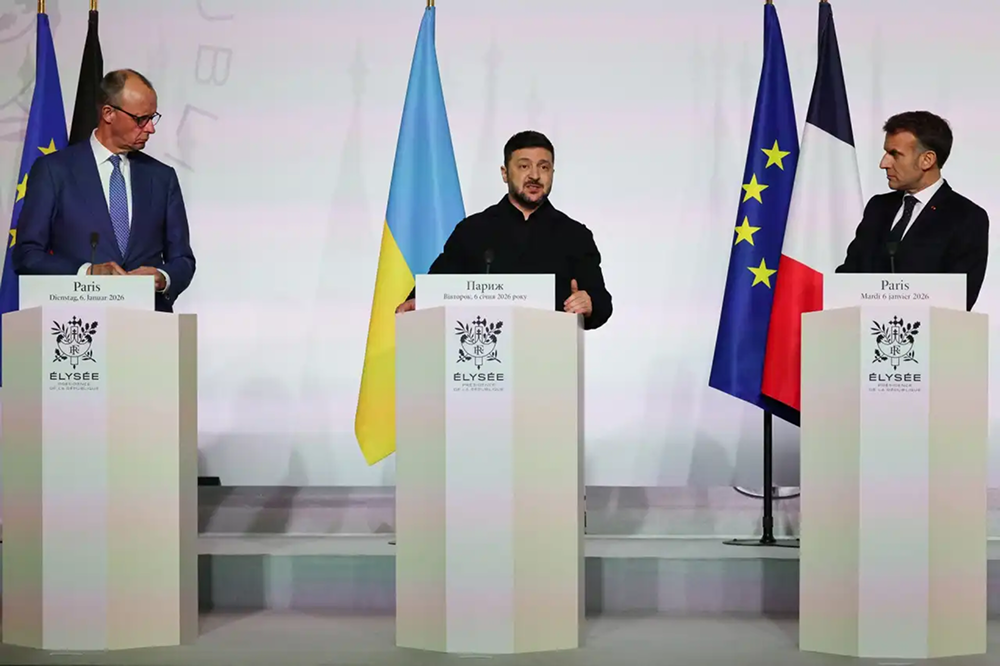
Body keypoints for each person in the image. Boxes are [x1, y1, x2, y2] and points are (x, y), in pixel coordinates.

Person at [14, 69, 196, 313]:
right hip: (77, 323)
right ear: (108, 113)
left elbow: (183, 259)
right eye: (141, 119)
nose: (151, 128)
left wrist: (163, 277)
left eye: (153, 118)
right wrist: (88, 273)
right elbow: (27, 255)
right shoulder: (54, 171)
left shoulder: (162, 177)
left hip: (148, 323)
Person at [396, 130, 612, 329]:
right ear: (505, 173)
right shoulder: (472, 230)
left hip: (550, 353)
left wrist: (589, 303)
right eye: (524, 166)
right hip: (481, 353)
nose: (535, 175)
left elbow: (602, 302)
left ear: (552, 173)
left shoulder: (575, 235)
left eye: (544, 167)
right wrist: (418, 302)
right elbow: (438, 284)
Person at [836, 111, 988, 311]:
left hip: (926, 330)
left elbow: (959, 299)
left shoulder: (966, 217)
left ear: (927, 160)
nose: (883, 163)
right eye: (886, 153)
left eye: (894, 154)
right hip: (860, 327)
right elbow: (848, 277)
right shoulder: (878, 207)